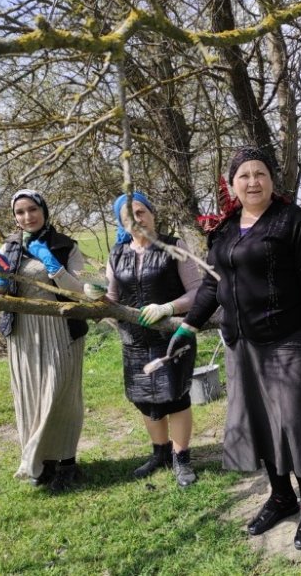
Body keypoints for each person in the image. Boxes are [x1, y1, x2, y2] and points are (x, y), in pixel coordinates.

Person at [167, 147, 301, 550]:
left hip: (288, 338)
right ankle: (281, 495)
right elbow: (213, 286)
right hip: (241, 343)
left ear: (271, 179)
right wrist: (188, 325)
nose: (253, 181)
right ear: (232, 185)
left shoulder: (291, 220)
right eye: (244, 175)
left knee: (294, 421)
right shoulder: (225, 229)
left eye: (260, 173)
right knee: (261, 421)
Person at [0, 189, 88, 492]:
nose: (27, 217)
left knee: (61, 396)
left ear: (44, 210)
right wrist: (0, 281)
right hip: (23, 333)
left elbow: (81, 291)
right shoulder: (10, 247)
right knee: (31, 397)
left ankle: (68, 463)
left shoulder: (65, 245)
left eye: (32, 209)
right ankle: (43, 464)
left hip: (60, 329)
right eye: (20, 212)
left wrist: (53, 266)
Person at [104, 191, 202, 487]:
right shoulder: (116, 254)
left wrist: (169, 307)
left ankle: (181, 457)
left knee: (176, 398)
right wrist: (95, 300)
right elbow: (111, 298)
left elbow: (198, 291)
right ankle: (160, 453)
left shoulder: (174, 246)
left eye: (141, 212)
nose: (137, 220)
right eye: (128, 217)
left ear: (151, 213)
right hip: (134, 340)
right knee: (144, 399)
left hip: (171, 338)